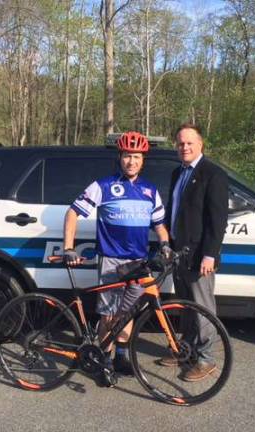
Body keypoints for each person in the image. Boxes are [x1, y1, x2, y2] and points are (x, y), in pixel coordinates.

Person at [62, 131, 170, 385]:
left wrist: (165, 243)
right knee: (109, 315)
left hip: (138, 262)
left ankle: (121, 355)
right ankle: (104, 359)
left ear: (142, 160)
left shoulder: (150, 191)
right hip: (111, 260)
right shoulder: (103, 186)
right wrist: (68, 247)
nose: (131, 161)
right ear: (119, 158)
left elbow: (160, 225)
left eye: (136, 156)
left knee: (127, 314)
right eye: (126, 156)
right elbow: (72, 213)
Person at [163, 123, 228, 382]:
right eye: (180, 143)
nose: (184, 147)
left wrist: (210, 254)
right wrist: (167, 242)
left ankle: (206, 358)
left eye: (189, 143)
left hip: (200, 256)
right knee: (185, 306)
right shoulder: (177, 173)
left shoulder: (213, 174)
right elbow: (174, 211)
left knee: (202, 308)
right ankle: (186, 349)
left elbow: (217, 219)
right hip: (179, 253)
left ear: (201, 144)